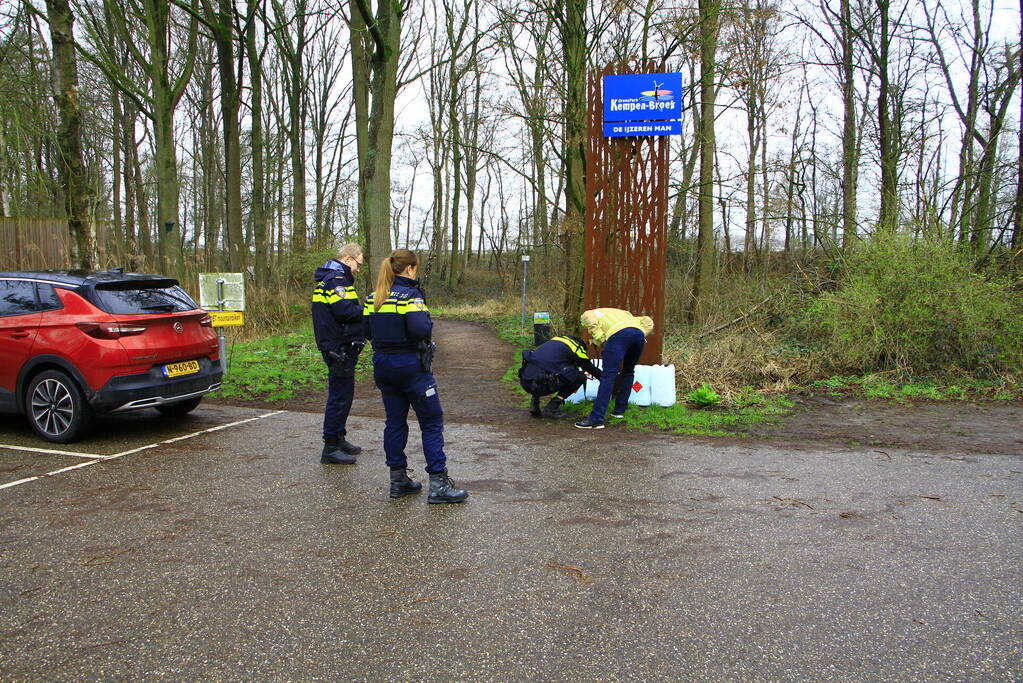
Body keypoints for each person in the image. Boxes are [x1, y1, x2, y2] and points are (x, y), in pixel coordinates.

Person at [363, 249, 468, 504]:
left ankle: (398, 480)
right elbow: (420, 328)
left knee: (395, 422)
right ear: (410, 269)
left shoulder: (373, 297)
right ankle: (438, 485)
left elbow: (366, 331)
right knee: (431, 421)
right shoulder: (411, 296)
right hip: (411, 367)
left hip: (384, 366)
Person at [312, 243, 366, 464]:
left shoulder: (334, 278)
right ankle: (330, 447)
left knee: (344, 395)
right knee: (339, 397)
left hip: (339, 344)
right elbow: (344, 311)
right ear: (347, 259)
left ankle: (338, 438)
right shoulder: (336, 280)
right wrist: (370, 309)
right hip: (338, 347)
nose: (358, 269)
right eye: (357, 264)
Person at [575, 308, 654, 429]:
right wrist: (643, 332)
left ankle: (596, 419)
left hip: (618, 336)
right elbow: (648, 321)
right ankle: (619, 411)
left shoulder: (589, 313)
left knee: (608, 375)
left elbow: (591, 323)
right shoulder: (625, 314)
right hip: (638, 336)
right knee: (628, 371)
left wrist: (602, 341)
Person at [518, 334, 601, 419]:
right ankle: (552, 407)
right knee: (580, 377)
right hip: (541, 385)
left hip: (524, 381)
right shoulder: (577, 349)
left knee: (544, 368)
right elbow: (591, 369)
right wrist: (606, 379)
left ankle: (534, 403)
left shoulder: (556, 340)